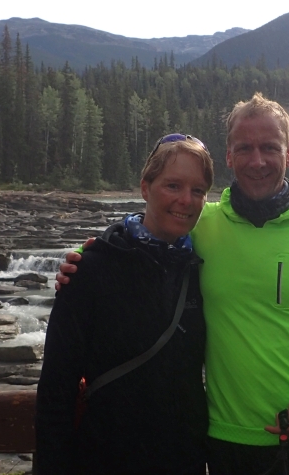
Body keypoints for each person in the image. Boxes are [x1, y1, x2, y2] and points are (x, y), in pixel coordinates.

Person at [59, 93, 289, 474]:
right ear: (229, 156)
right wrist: (84, 255)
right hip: (228, 445)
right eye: (244, 148)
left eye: (269, 148)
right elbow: (145, 227)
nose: (257, 161)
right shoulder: (203, 224)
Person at [35, 134, 214, 475]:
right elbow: (56, 390)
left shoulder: (201, 268)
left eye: (198, 190)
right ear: (145, 187)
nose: (186, 200)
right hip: (105, 458)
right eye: (173, 185)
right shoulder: (91, 269)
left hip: (183, 461)